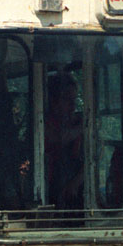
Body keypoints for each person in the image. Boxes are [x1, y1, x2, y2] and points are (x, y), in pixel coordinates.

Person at [44, 74, 84, 209]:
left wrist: (76, 183)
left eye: (74, 100)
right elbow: (59, 138)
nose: (73, 106)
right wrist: (83, 127)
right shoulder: (44, 121)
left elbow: (93, 159)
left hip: (75, 188)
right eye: (67, 100)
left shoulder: (75, 122)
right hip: (48, 186)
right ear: (53, 101)